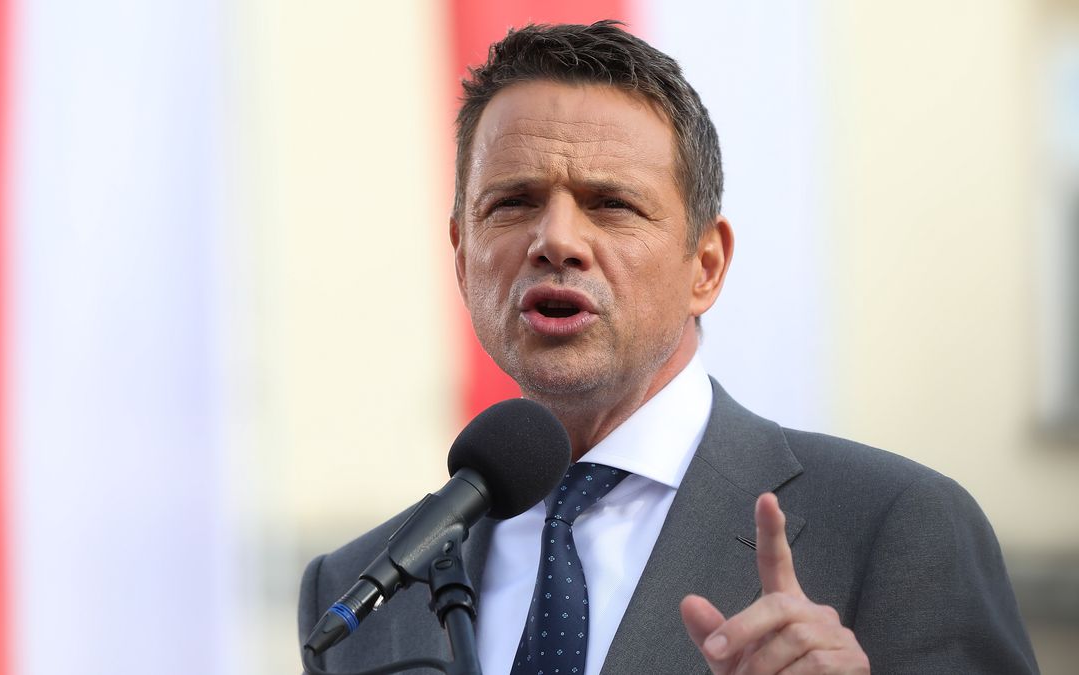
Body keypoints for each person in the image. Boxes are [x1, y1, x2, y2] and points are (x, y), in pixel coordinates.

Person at [298, 21, 1038, 674]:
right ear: (463, 258)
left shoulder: (894, 526)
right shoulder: (356, 592)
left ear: (706, 266)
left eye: (612, 204)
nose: (556, 240)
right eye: (514, 202)